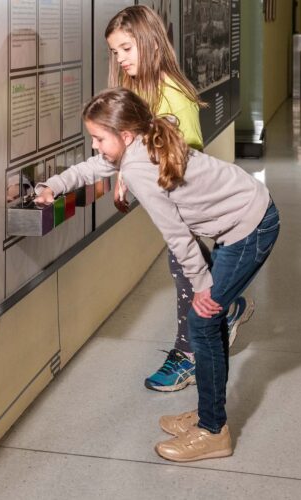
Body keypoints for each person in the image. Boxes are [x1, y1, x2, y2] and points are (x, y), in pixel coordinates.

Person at [34, 88, 279, 461]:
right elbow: (93, 167)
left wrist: (202, 286)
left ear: (125, 135)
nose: (95, 145)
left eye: (99, 138)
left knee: (202, 320)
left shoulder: (137, 168)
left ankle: (213, 431)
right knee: (207, 321)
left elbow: (177, 234)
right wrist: (53, 185)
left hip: (250, 225)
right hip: (243, 214)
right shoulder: (142, 140)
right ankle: (209, 411)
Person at [104, 5, 254, 392]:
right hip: (167, 195)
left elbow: (190, 156)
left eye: (126, 49)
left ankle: (187, 354)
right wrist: (124, 174)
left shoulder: (173, 95)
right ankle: (228, 305)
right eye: (115, 52)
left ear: (150, 43)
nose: (120, 59)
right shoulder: (136, 90)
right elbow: (132, 142)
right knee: (186, 263)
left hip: (186, 195)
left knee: (184, 265)